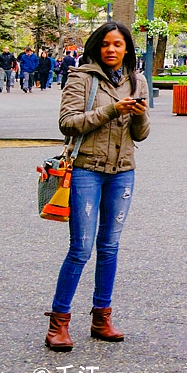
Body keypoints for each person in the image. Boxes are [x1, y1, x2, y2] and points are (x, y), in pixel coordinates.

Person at [47, 22, 150, 351]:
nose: (111, 50)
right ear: (97, 46)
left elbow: (141, 135)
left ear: (126, 49)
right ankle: (58, 323)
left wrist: (138, 115)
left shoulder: (138, 80)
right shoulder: (81, 77)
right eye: (105, 44)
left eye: (118, 44)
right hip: (86, 170)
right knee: (81, 248)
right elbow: (68, 122)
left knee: (109, 248)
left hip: (123, 172)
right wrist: (111, 110)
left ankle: (101, 318)